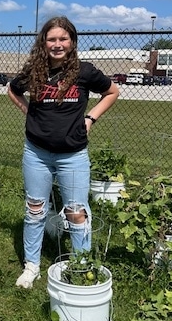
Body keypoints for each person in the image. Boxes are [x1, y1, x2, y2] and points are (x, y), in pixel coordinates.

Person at [8, 16, 119, 289]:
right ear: (43, 43)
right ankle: (31, 266)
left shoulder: (85, 71)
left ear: (72, 42)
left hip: (73, 154)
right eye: (51, 39)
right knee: (35, 210)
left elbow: (112, 92)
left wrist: (90, 119)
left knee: (76, 212)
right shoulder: (34, 70)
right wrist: (28, 111)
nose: (57, 44)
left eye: (63, 39)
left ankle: (81, 266)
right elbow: (12, 90)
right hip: (36, 153)